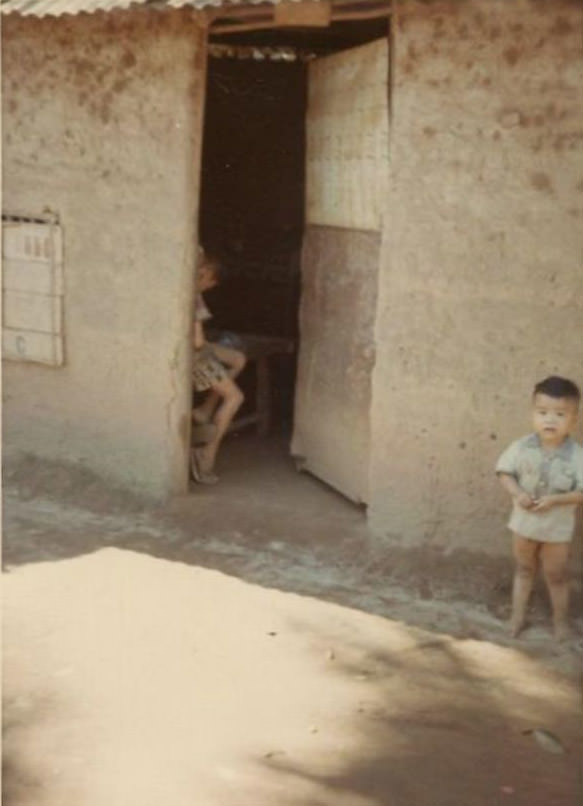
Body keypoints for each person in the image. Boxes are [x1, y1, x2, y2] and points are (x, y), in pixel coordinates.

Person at [496, 376, 583, 641]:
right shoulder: (520, 447)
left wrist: (557, 500)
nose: (550, 420)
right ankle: (517, 617)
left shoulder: (577, 456)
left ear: (575, 419)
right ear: (533, 414)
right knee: (523, 569)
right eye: (542, 412)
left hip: (556, 529)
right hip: (524, 524)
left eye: (560, 414)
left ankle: (560, 622)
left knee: (556, 575)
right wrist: (518, 493)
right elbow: (504, 473)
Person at [191, 250, 246, 485]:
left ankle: (206, 408)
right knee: (235, 398)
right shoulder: (193, 297)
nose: (207, 284)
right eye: (206, 277)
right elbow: (197, 343)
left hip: (194, 348)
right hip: (193, 355)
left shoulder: (194, 292)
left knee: (238, 359)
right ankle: (206, 455)